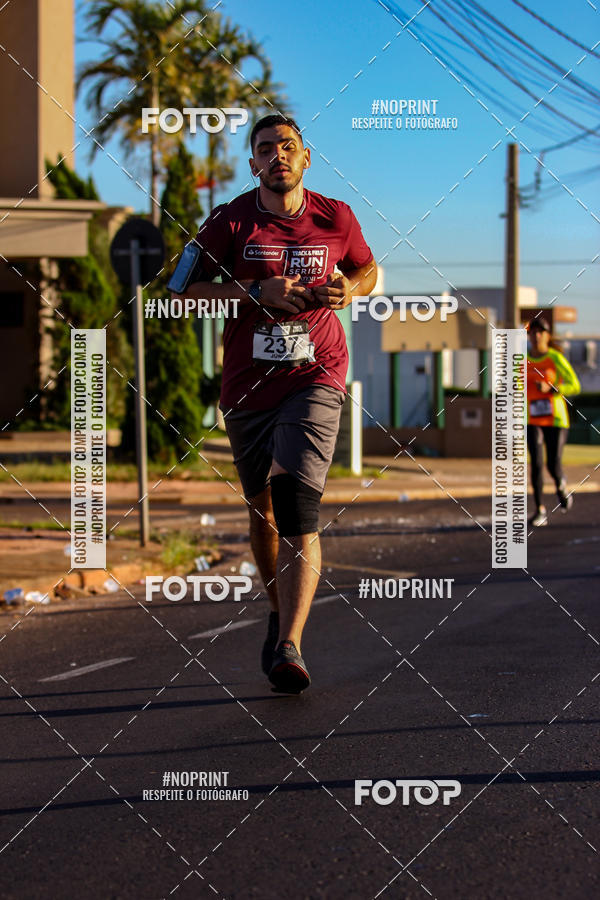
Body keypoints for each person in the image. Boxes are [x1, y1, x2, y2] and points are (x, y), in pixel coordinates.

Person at [174, 114, 376, 692]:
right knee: (261, 506)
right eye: (265, 149)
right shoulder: (229, 220)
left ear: (305, 157)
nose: (277, 156)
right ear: (253, 162)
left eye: (288, 147)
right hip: (247, 385)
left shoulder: (335, 215)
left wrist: (351, 289)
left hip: (317, 372)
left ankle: (291, 643)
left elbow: (367, 267)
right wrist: (251, 291)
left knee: (293, 503)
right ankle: (275, 614)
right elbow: (179, 288)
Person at [526, 317, 581, 527]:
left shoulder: (555, 358)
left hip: (556, 418)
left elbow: (575, 385)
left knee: (552, 464)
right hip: (532, 418)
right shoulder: (522, 360)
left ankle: (561, 485)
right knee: (537, 464)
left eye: (540, 332)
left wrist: (553, 389)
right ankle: (539, 510)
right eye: (532, 332)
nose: (536, 336)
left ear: (548, 336)